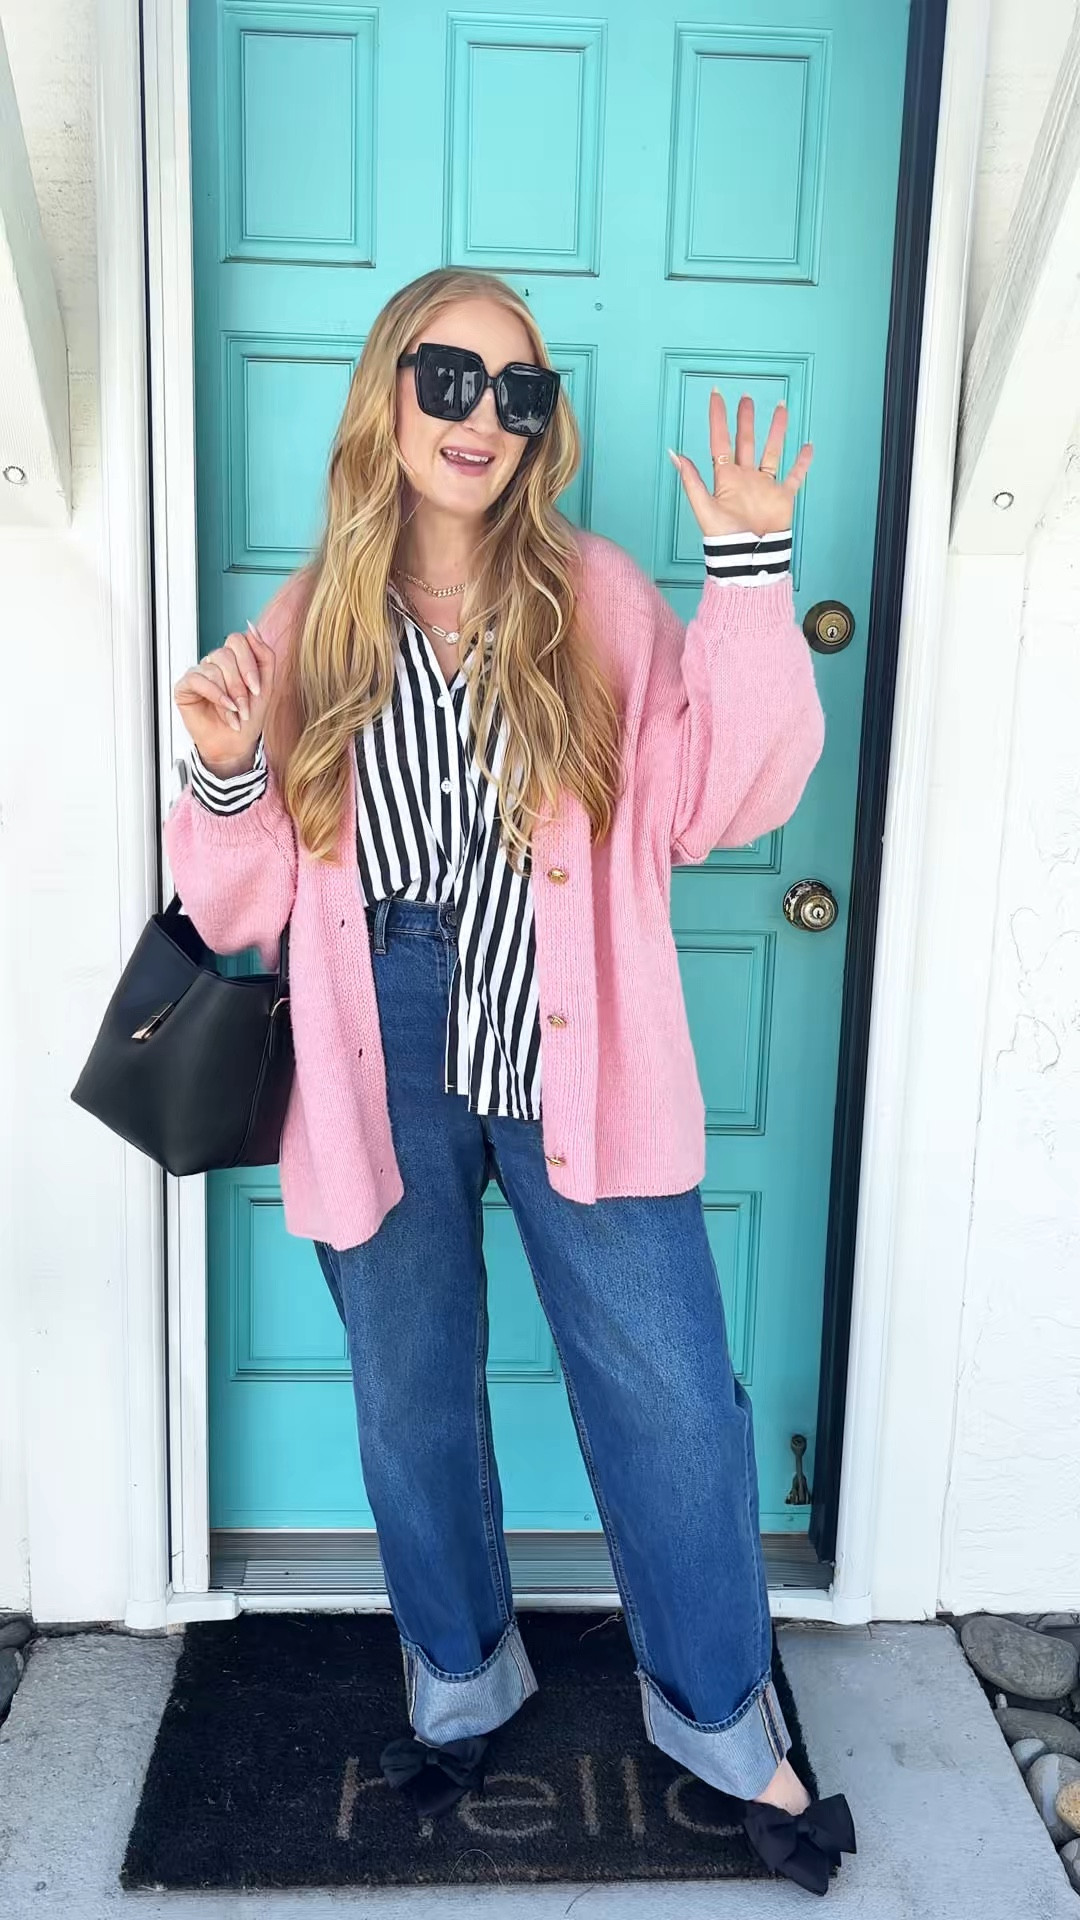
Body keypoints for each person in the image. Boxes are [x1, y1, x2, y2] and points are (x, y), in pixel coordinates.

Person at [165, 265, 855, 1895]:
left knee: (673, 1389)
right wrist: (217, 763)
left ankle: (718, 1718)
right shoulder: (307, 619)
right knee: (410, 1392)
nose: (483, 418)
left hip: (576, 1028)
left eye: (519, 392)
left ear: (544, 424)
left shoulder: (597, 596)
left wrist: (748, 573)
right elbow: (239, 903)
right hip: (373, 1030)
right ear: (386, 394)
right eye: (449, 379)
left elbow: (725, 796)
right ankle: (461, 1676)